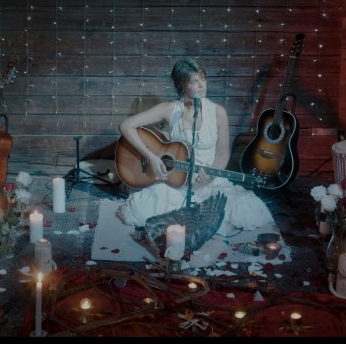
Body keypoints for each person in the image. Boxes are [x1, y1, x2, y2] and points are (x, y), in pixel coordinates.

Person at [115, 58, 275, 234]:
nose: (201, 86)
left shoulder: (218, 112)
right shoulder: (169, 109)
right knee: (141, 209)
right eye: (194, 82)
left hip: (205, 179)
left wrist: (210, 177)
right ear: (182, 86)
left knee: (249, 211)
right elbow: (126, 126)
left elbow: (222, 155)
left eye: (203, 79)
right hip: (174, 181)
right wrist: (152, 158)